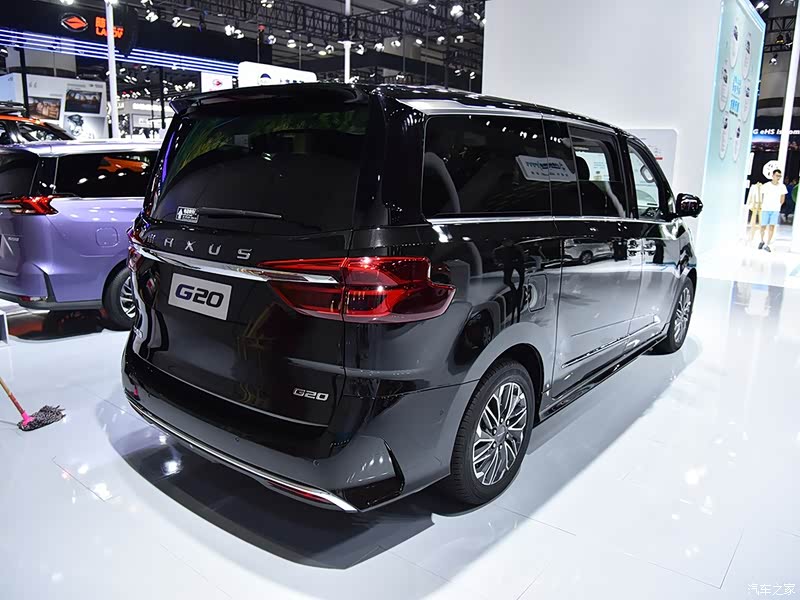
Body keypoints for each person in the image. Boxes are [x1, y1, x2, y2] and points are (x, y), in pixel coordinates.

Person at [759, 168, 787, 252]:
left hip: (775, 209)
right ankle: (761, 241)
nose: (778, 177)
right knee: (763, 226)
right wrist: (762, 204)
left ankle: (767, 244)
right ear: (773, 175)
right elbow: (761, 195)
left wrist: (778, 205)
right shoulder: (766, 185)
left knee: (772, 226)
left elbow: (782, 198)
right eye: (777, 175)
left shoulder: (782, 186)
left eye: (779, 176)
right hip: (765, 208)